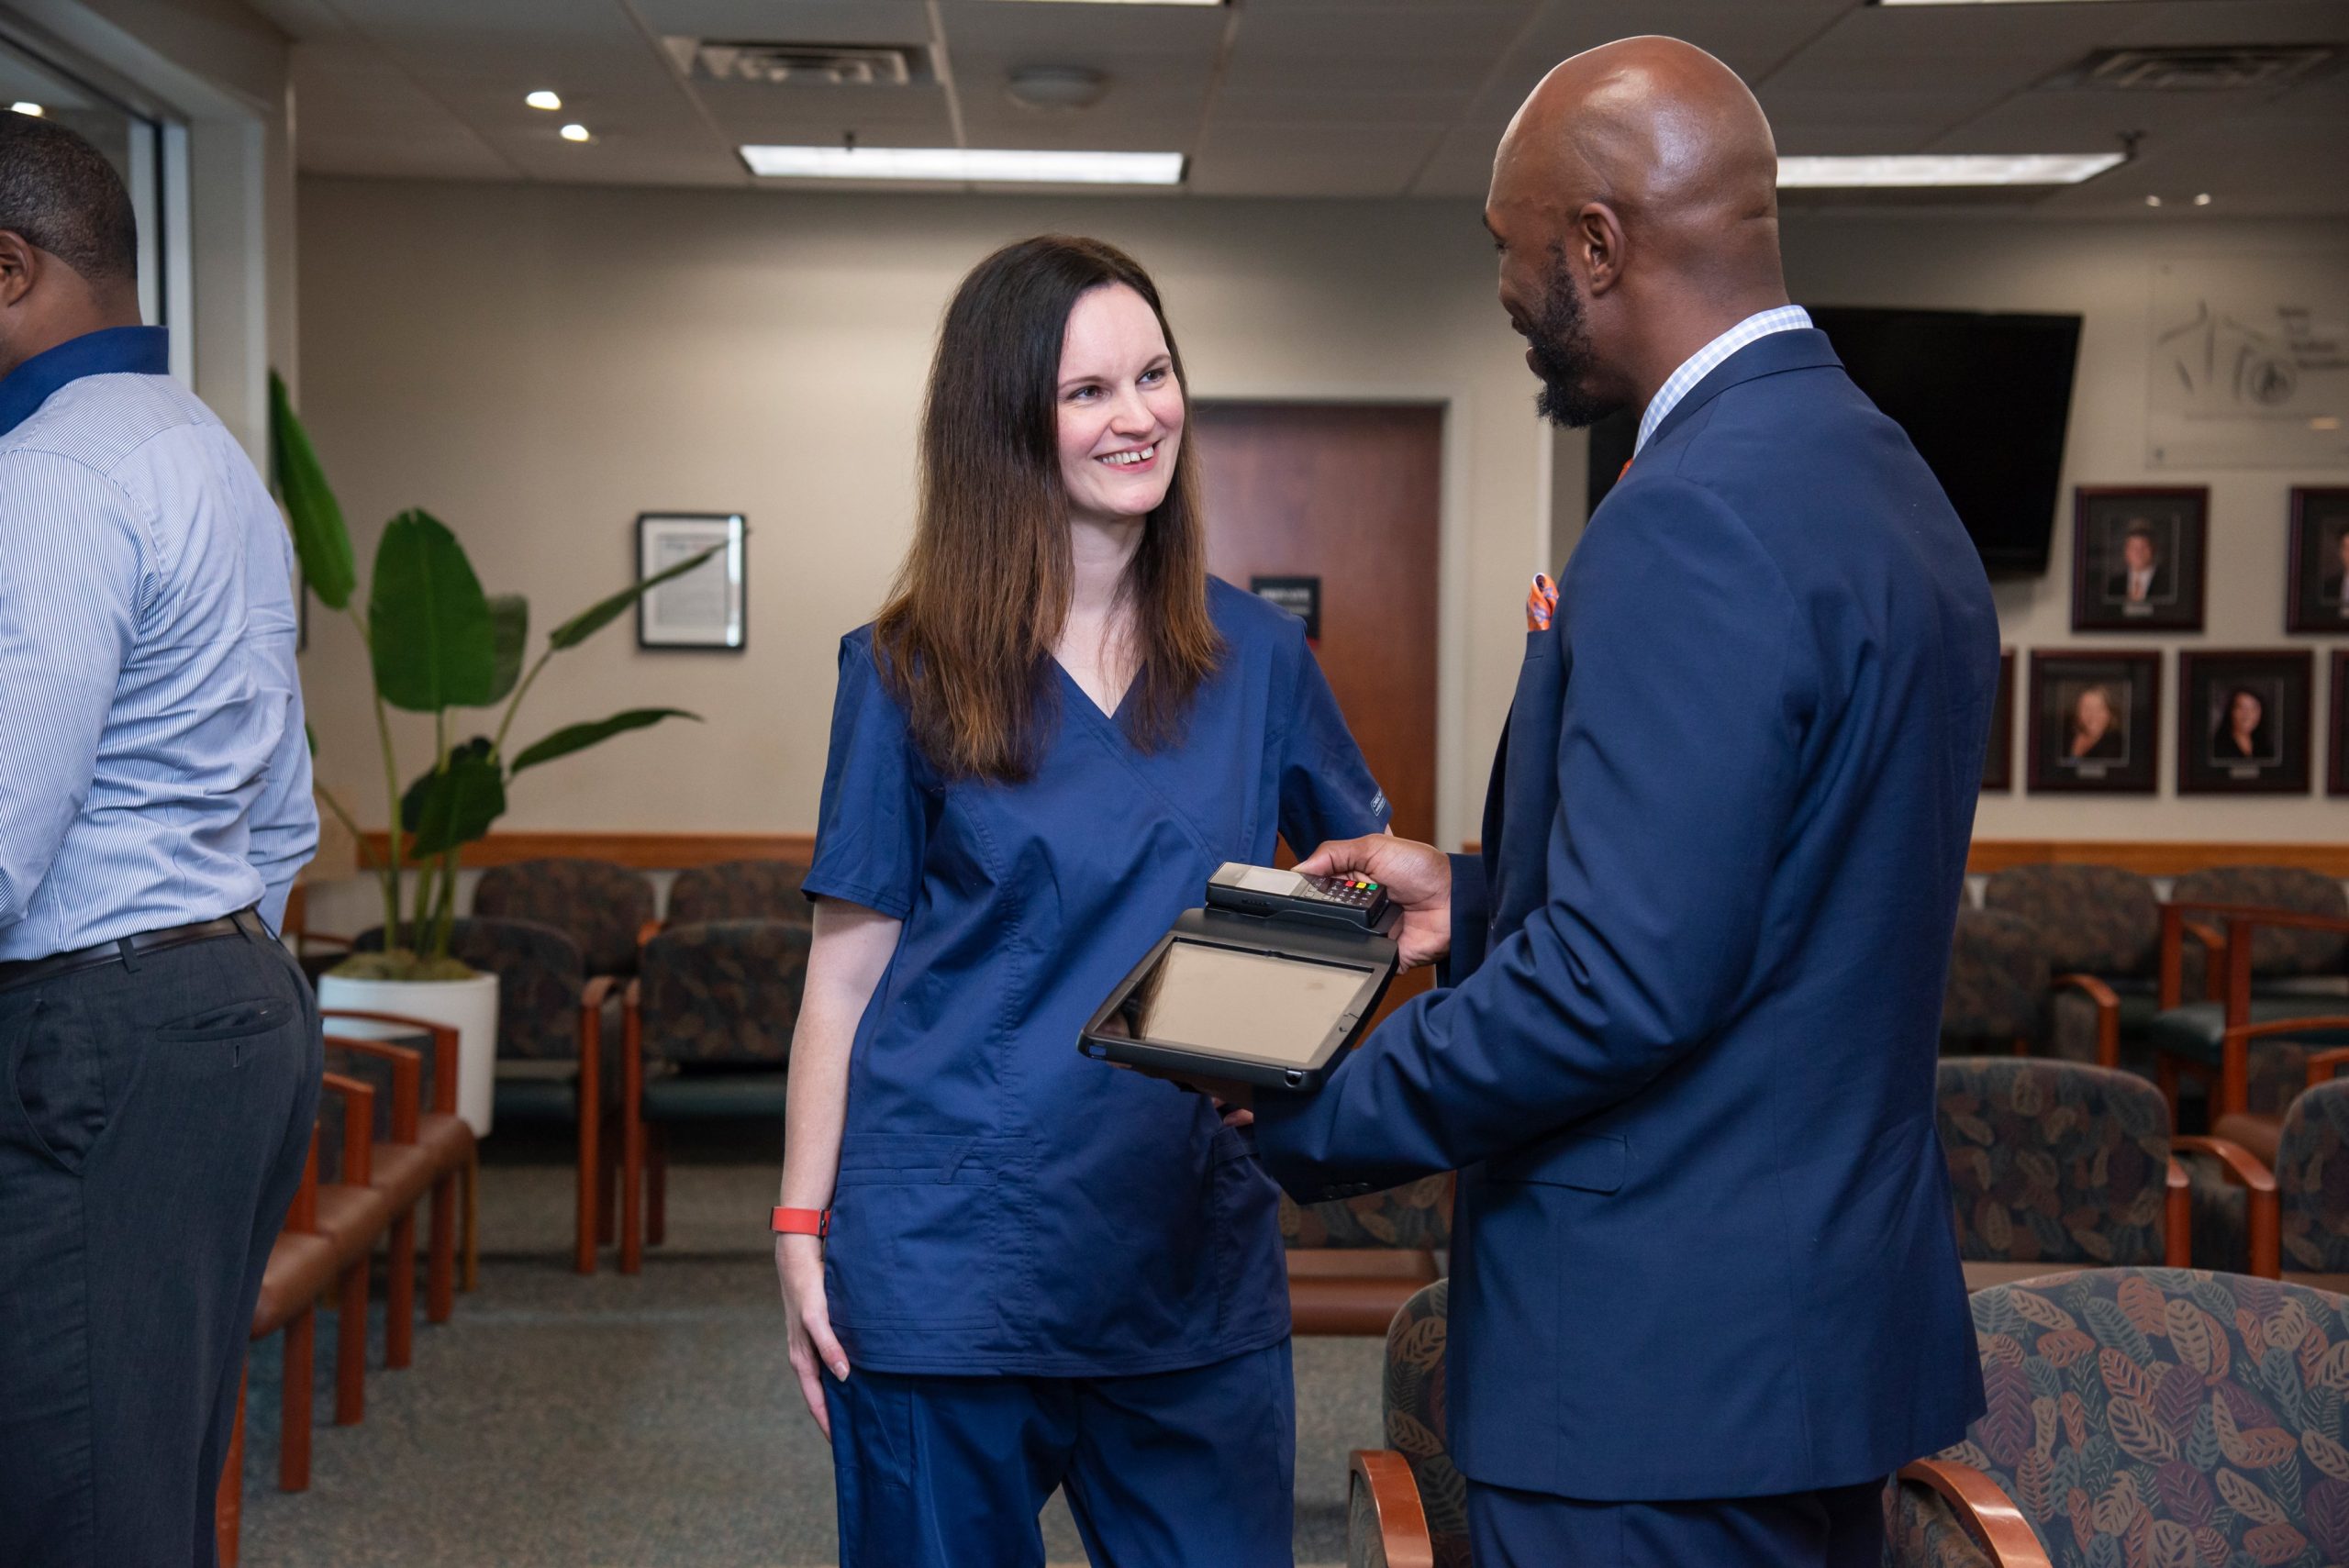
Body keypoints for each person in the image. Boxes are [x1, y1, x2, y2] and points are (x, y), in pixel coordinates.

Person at [1221, 38, 1996, 1567]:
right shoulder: (1884, 476)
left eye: (1510, 251)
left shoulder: (1687, 511)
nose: (1506, 295)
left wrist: (1314, 1112)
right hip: (1810, 1352)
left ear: (1598, 241)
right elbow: (1786, 883)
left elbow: (1620, 983)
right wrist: (1482, 890)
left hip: (1652, 1378)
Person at [773, 234, 1388, 1568]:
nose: (1138, 416)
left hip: (1186, 1261)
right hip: (947, 1257)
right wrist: (799, 1224)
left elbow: (1369, 889)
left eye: (1154, 374)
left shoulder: (1259, 658)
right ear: (1008, 425)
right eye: (1088, 390)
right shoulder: (903, 670)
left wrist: (1288, 1015)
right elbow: (843, 976)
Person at [0, 116, 322, 1567]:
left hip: (94, 1032)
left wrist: (120, 1001)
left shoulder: (55, 475)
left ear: (8, 271)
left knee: (73, 1511)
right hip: (226, 1008)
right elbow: (283, 818)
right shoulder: (212, 460)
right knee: (145, 1489)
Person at [2104, 520, 2169, 605]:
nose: (2138, 552)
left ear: (2154, 549)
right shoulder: (2114, 585)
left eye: (2144, 547)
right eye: (2133, 547)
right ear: (2126, 551)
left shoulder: (2167, 584)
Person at [2212, 685, 2272, 763]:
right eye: (2241, 708)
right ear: (2231, 712)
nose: (2247, 715)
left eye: (2253, 709)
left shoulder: (2265, 746)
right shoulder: (2216, 747)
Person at [2066, 684, 2125, 762]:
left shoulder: (2118, 747)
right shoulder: (2065, 733)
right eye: (2086, 708)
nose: (2092, 716)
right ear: (2077, 711)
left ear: (2110, 712)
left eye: (2099, 708)